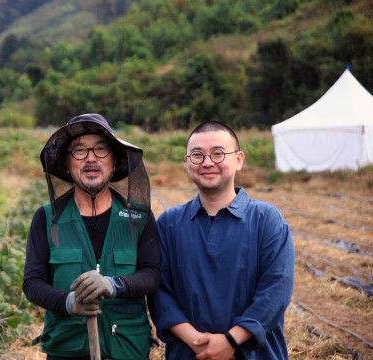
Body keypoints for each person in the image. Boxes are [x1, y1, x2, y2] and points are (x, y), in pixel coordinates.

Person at [148, 121, 295, 360]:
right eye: (197, 155)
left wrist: (231, 340)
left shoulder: (267, 220)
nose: (207, 162)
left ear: (238, 160)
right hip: (189, 353)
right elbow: (160, 292)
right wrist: (198, 342)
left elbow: (276, 291)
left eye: (218, 153)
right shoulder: (169, 224)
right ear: (188, 163)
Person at [23, 113, 161, 360]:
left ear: (114, 160)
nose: (90, 159)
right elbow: (32, 283)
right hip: (67, 348)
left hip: (127, 347)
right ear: (67, 164)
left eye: (101, 149)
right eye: (79, 150)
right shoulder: (46, 218)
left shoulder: (139, 218)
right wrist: (67, 302)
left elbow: (152, 274)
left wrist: (114, 284)